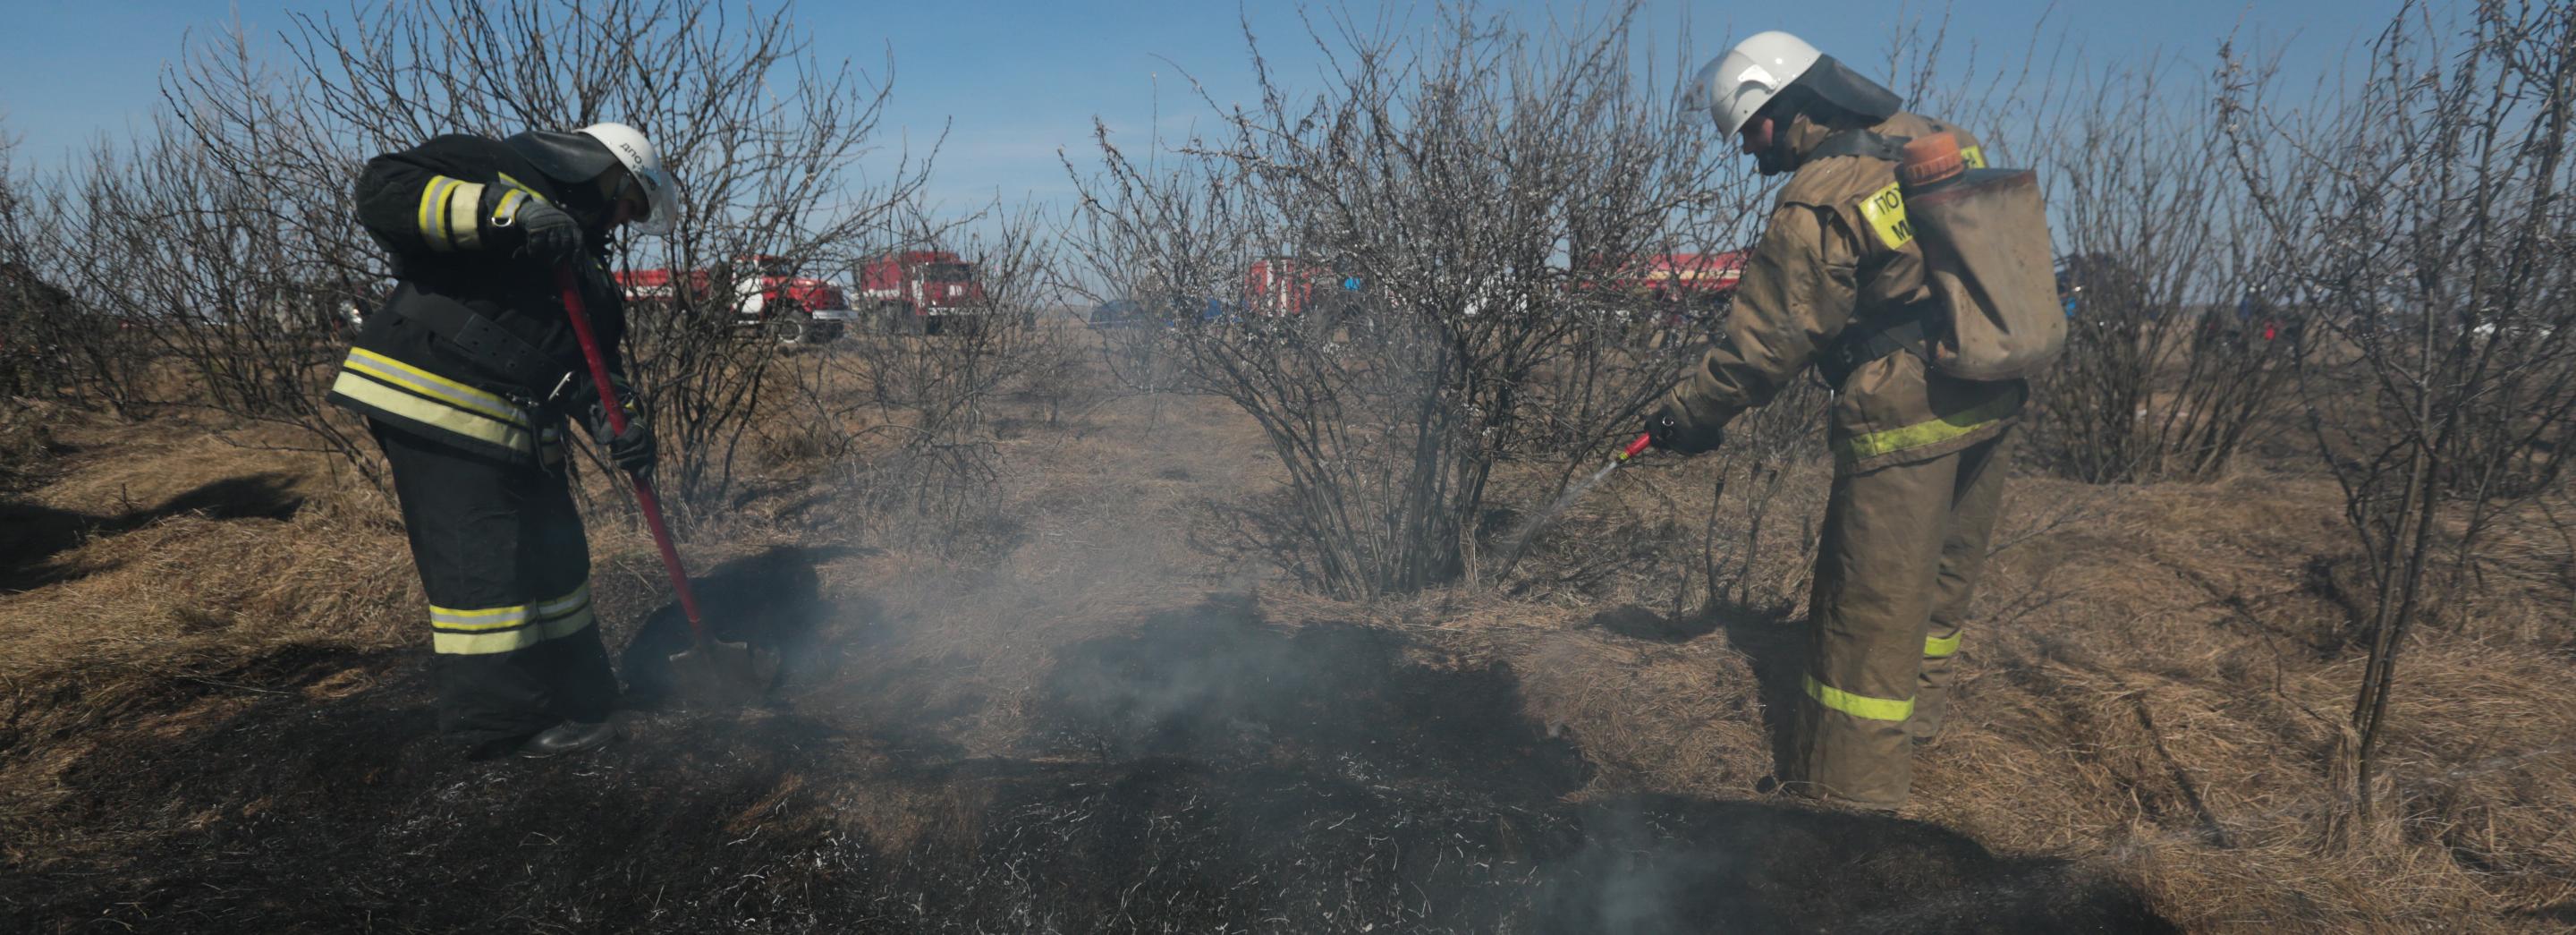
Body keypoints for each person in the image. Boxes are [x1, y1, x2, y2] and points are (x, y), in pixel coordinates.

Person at [1648, 32, 2025, 809]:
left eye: (1749, 132)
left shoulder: (1819, 195)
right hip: (1990, 391)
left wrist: (1691, 416)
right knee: (1937, 591)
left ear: (1785, 107)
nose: (1749, 156)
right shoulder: (1934, 139)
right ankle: (1917, 742)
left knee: (1867, 618)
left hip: (1907, 416)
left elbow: (1767, 341)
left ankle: (1845, 814)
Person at [326, 123, 681, 759]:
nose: (625, 220)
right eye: (630, 201)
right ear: (603, 171)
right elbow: (382, 192)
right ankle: (501, 724)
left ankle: (581, 694)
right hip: (436, 398)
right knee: (487, 562)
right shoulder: (488, 164)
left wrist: (620, 423)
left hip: (517, 425)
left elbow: (595, 363)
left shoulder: (587, 268)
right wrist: (504, 211)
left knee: (559, 558)